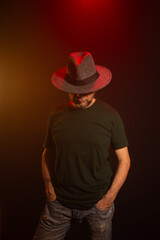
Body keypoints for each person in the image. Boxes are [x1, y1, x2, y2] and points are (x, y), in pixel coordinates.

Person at [33, 52, 131, 240]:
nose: (78, 96)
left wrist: (109, 198)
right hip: (58, 205)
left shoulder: (110, 116)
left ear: (96, 87)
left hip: (97, 205)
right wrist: (49, 188)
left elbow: (124, 160)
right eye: (73, 89)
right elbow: (47, 153)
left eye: (85, 90)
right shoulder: (56, 115)